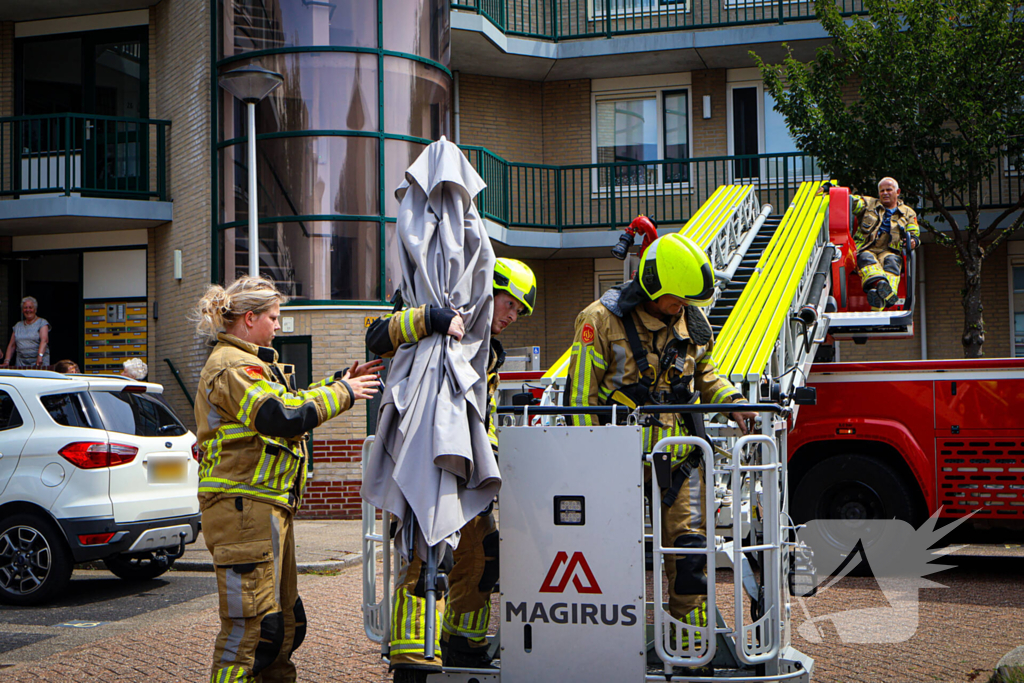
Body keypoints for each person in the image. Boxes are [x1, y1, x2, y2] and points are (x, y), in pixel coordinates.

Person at [565, 233, 755, 644]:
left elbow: (705, 376)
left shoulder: (692, 323)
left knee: (691, 557)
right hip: (616, 463)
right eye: (677, 298)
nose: (682, 306)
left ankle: (692, 649)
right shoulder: (598, 320)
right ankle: (608, 646)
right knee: (610, 557)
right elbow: (580, 398)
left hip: (680, 460)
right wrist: (587, 465)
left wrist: (735, 402)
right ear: (652, 286)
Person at [192, 275, 381, 683]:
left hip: (266, 508)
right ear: (248, 318)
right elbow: (279, 417)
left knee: (284, 627)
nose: (279, 325)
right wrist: (344, 392)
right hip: (243, 513)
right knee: (253, 631)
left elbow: (288, 402)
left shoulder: (253, 363)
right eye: (274, 318)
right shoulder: (230, 365)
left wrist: (336, 382)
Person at [366, 257, 537, 675]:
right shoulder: (441, 321)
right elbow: (377, 336)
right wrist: (431, 319)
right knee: (428, 559)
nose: (513, 316)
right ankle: (413, 659)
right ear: (487, 291)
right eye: (510, 304)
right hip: (432, 465)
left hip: (470, 473)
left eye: (520, 311)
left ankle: (463, 646)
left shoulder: (487, 351)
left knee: (482, 558)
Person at [852, 177, 920, 310]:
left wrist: (913, 241)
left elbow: (914, 234)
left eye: (889, 189)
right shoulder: (868, 203)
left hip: (890, 251)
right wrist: (831, 190)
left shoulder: (908, 213)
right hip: (866, 248)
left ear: (898, 191)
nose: (885, 193)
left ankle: (880, 297)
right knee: (866, 258)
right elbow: (850, 201)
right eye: (882, 190)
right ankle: (883, 290)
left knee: (892, 262)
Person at [3, 297, 50, 368]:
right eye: (25, 308)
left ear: (35, 309)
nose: (28, 310)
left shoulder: (42, 322)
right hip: (21, 362)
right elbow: (12, 345)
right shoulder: (18, 325)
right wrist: (6, 361)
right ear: (22, 310)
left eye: (30, 307)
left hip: (39, 362)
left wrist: (40, 356)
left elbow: (44, 340)